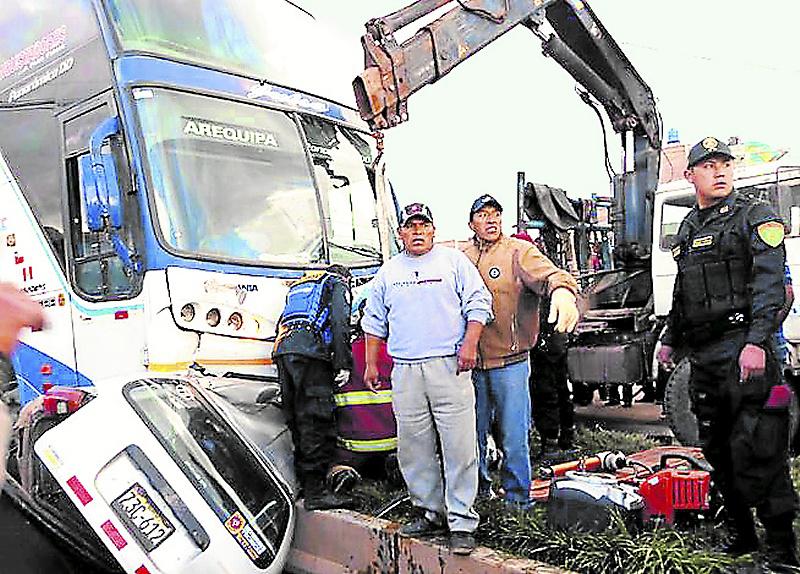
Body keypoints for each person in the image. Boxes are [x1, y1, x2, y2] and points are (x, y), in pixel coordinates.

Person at [657, 137, 799, 569]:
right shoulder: (688, 227)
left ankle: (781, 549)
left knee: (760, 448)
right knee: (717, 449)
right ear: (690, 175)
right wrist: (670, 337)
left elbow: (773, 286)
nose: (719, 172)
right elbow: (683, 290)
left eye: (725, 164)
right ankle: (741, 535)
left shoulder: (754, 215)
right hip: (705, 357)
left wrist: (756, 342)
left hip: (745, 350)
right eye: (708, 166)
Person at [362, 202, 492, 555]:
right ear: (401, 233)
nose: (417, 231)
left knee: (459, 446)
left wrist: (469, 345)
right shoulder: (389, 272)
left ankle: (462, 521)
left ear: (433, 230)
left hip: (449, 366)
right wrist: (372, 364)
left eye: (423, 225)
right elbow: (374, 320)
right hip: (406, 370)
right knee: (413, 447)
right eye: (410, 226)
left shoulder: (454, 262)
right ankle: (430, 512)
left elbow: (479, 303)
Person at [462, 195, 579, 506]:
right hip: (471, 364)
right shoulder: (461, 256)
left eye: (495, 213)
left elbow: (551, 274)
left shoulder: (519, 251)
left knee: (514, 436)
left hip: (510, 363)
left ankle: (518, 500)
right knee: (471, 434)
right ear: (471, 223)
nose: (491, 220)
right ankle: (479, 491)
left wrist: (563, 292)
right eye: (482, 215)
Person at [272, 264, 355, 511]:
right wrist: (343, 363)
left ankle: (303, 483)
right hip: (311, 354)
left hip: (284, 351)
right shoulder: (336, 284)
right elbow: (340, 322)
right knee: (316, 420)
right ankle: (316, 493)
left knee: (297, 419)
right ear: (347, 278)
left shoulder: (302, 285)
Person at [326, 299, 399, 493]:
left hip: (353, 447)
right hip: (393, 442)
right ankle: (396, 466)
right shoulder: (395, 353)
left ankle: (342, 473)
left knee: (331, 460)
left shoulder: (343, 357)